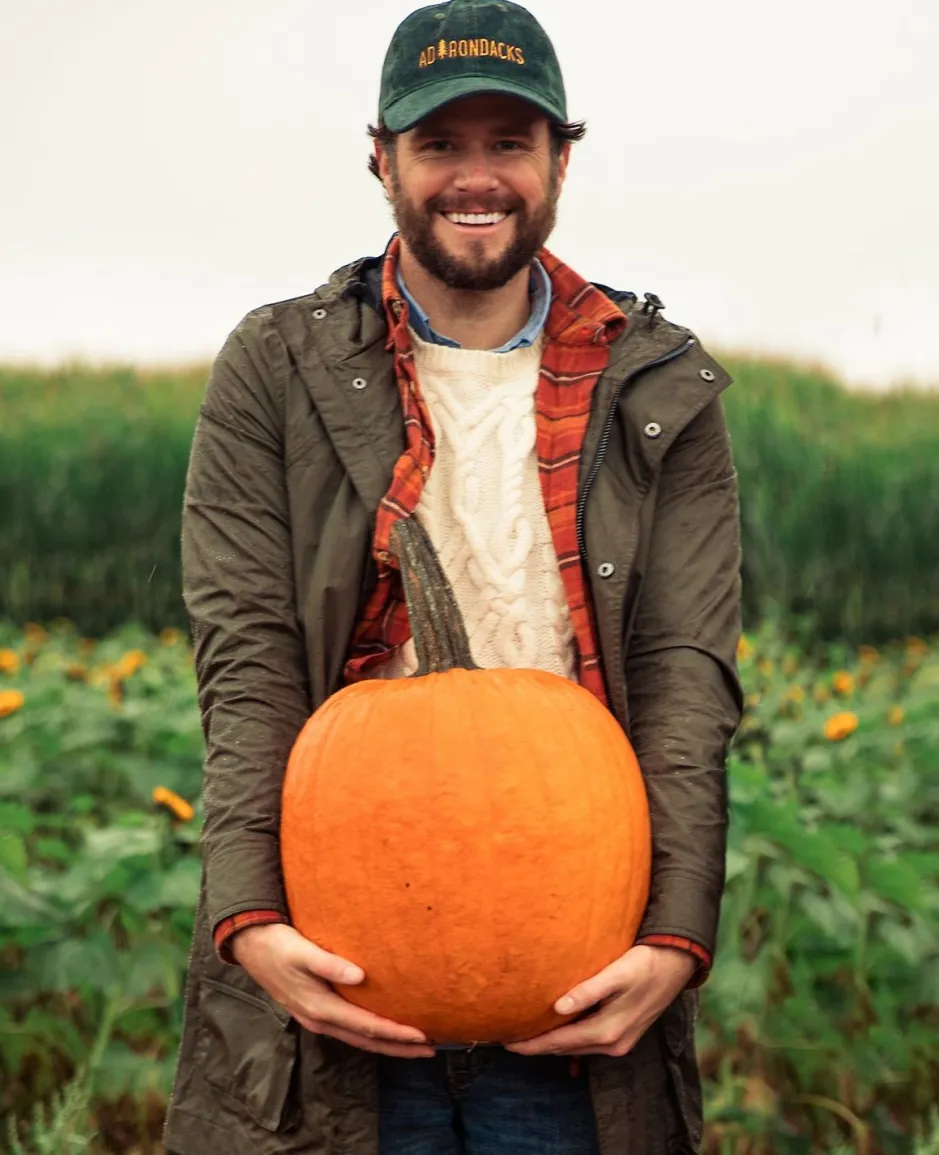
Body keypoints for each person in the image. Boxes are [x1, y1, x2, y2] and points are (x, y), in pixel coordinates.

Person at [162, 0, 744, 1152]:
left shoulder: (658, 384)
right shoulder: (276, 369)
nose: (475, 179)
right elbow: (248, 660)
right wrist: (248, 918)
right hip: (337, 973)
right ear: (380, 157)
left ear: (560, 158)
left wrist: (675, 936)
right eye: (439, 145)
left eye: (508, 144)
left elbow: (687, 675)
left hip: (578, 989)